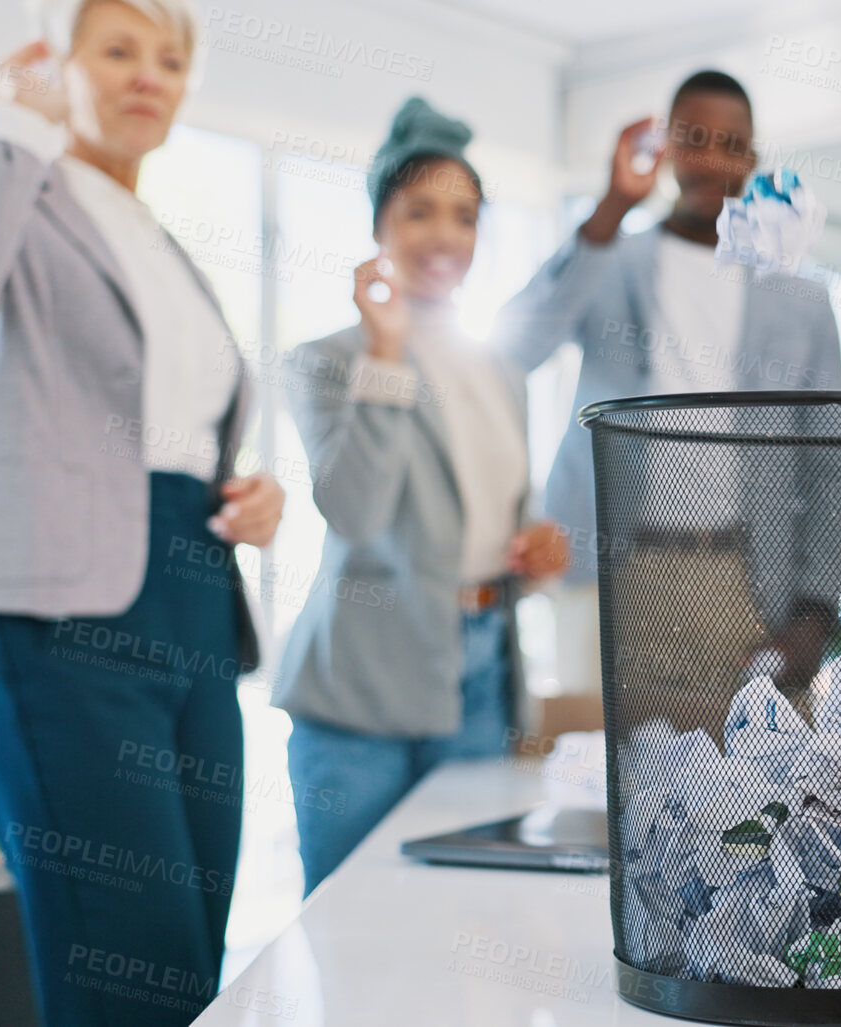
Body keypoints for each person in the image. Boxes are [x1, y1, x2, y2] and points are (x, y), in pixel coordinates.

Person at [0, 2, 284, 1022]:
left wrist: (248, 492)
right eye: (117, 52)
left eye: (171, 59)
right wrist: (15, 124)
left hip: (190, 607)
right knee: (126, 967)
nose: (150, 76)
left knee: (193, 962)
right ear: (57, 65)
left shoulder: (158, 241)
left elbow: (173, 425)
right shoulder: (15, 181)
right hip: (50, 613)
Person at [273, 97, 569, 894]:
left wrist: (536, 553)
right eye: (420, 211)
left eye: (464, 216)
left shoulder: (499, 367)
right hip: (360, 685)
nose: (444, 235)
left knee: (459, 911)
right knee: (350, 916)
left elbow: (501, 516)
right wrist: (387, 351)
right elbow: (355, 510)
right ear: (380, 226)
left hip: (479, 672)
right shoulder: (327, 360)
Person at [495, 70, 841, 727]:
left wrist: (815, 610)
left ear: (751, 157)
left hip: (747, 581)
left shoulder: (801, 297)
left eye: (730, 143)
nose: (711, 158)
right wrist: (608, 207)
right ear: (665, 146)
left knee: (750, 794)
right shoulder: (610, 257)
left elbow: (826, 468)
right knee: (605, 785)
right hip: (617, 571)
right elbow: (514, 348)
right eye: (693, 138)